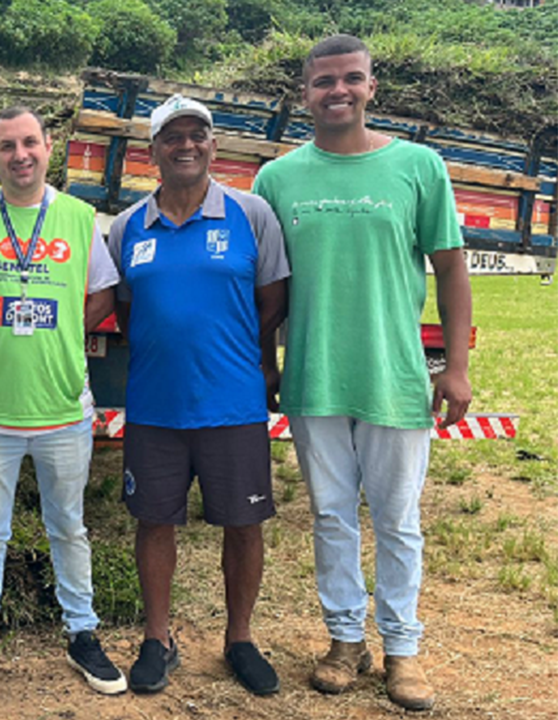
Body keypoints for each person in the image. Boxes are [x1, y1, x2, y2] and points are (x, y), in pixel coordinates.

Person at [253, 34, 472, 712]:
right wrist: (266, 364)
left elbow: (451, 268)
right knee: (331, 516)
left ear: (372, 87)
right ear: (304, 95)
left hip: (395, 378)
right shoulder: (278, 180)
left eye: (351, 79)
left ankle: (403, 650)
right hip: (314, 377)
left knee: (399, 520)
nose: (338, 91)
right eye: (324, 82)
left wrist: (456, 367)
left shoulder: (418, 167)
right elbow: (265, 290)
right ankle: (346, 640)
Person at [0, 106, 125, 699]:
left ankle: (82, 633)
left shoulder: (77, 218)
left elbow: (101, 293)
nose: (19, 155)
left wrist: (64, 332)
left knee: (69, 527)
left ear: (50, 148)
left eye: (29, 143)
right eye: (6, 146)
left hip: (63, 407)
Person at [107, 95, 289, 696]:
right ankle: (157, 641)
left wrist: (241, 357)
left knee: (243, 524)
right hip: (156, 406)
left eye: (197, 135)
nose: (186, 145)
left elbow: (272, 303)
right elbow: (128, 314)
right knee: (155, 522)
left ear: (213, 145)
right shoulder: (129, 226)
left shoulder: (251, 214)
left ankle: (240, 639)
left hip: (232, 404)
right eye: (172, 137)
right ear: (152, 151)